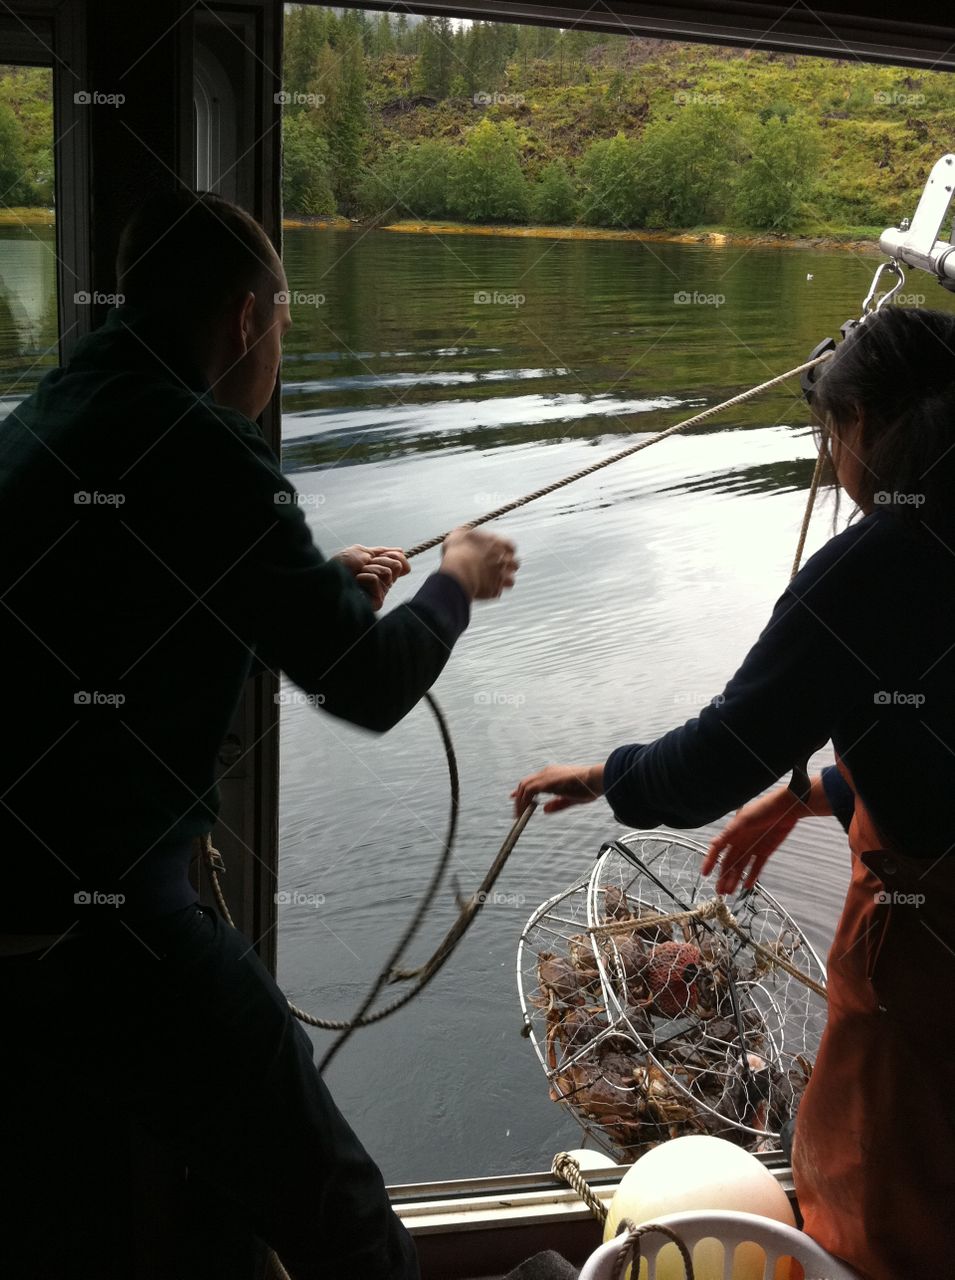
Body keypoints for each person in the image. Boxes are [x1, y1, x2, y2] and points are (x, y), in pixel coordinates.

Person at [0, 188, 518, 1279]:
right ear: (246, 320)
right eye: (283, 326)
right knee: (330, 1194)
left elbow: (117, 609)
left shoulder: (57, 408)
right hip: (95, 914)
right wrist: (455, 586)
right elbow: (370, 683)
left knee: (131, 1199)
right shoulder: (205, 446)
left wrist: (310, 589)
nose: (278, 349)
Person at [513, 305, 955, 1280]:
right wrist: (816, 794)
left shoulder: (876, 563)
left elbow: (713, 756)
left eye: (831, 433)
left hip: (925, 964)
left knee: (883, 1187)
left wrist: (600, 774)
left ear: (864, 427)